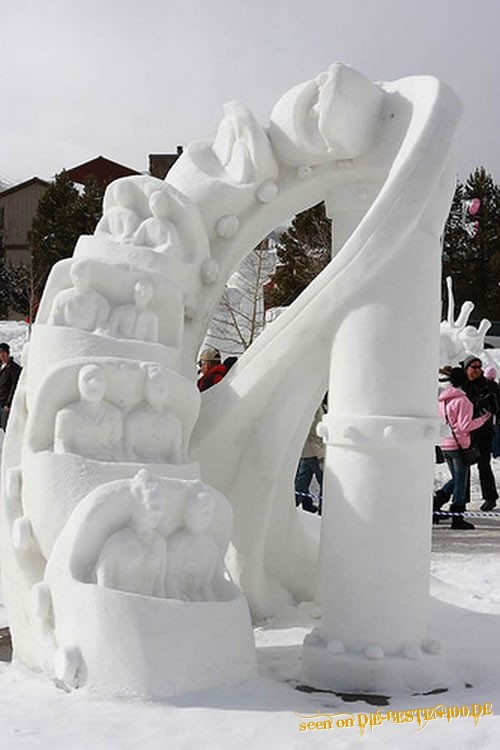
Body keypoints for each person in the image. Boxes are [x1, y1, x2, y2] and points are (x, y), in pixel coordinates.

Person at [434, 367, 491, 529]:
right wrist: (483, 419)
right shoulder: (463, 401)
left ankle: (438, 500)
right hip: (459, 444)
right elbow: (465, 425)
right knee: (461, 480)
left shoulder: (442, 400)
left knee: (457, 477)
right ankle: (457, 515)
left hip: (445, 443)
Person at [462, 356, 499, 511]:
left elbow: (497, 407)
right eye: (473, 367)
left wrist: (489, 406)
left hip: (484, 431)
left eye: (479, 367)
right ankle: (461, 499)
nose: (477, 370)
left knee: (484, 464)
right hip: (464, 431)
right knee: (463, 467)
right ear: (466, 369)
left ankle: (490, 497)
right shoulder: (462, 386)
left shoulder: (489, 386)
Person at [295, 402, 326, 514]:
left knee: (301, 483)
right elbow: (314, 432)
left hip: (306, 451)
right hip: (314, 452)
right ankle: (324, 512)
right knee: (324, 482)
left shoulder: (310, 405)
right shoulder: (315, 406)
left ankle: (291, 506)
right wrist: (320, 455)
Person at [0, 342, 22, 431]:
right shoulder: (1, 366)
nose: (1, 356)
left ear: (8, 353)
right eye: (0, 353)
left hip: (6, 405)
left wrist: (8, 404)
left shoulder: (14, 368)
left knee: (7, 428)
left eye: (3, 353)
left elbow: (14, 387)